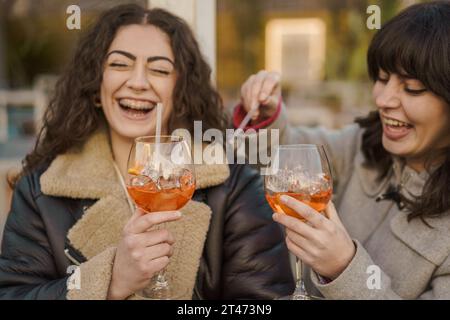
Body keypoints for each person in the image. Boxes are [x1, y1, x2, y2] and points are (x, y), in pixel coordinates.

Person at [0, 4, 294, 300]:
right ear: (95, 85)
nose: (138, 82)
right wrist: (110, 282)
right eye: (119, 64)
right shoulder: (41, 191)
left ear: (179, 93)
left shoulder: (234, 186)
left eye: (159, 69)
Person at [236, 1, 450, 299]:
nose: (384, 99)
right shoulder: (362, 144)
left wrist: (344, 267)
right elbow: (288, 154)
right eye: (382, 79)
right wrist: (266, 117)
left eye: (411, 88)